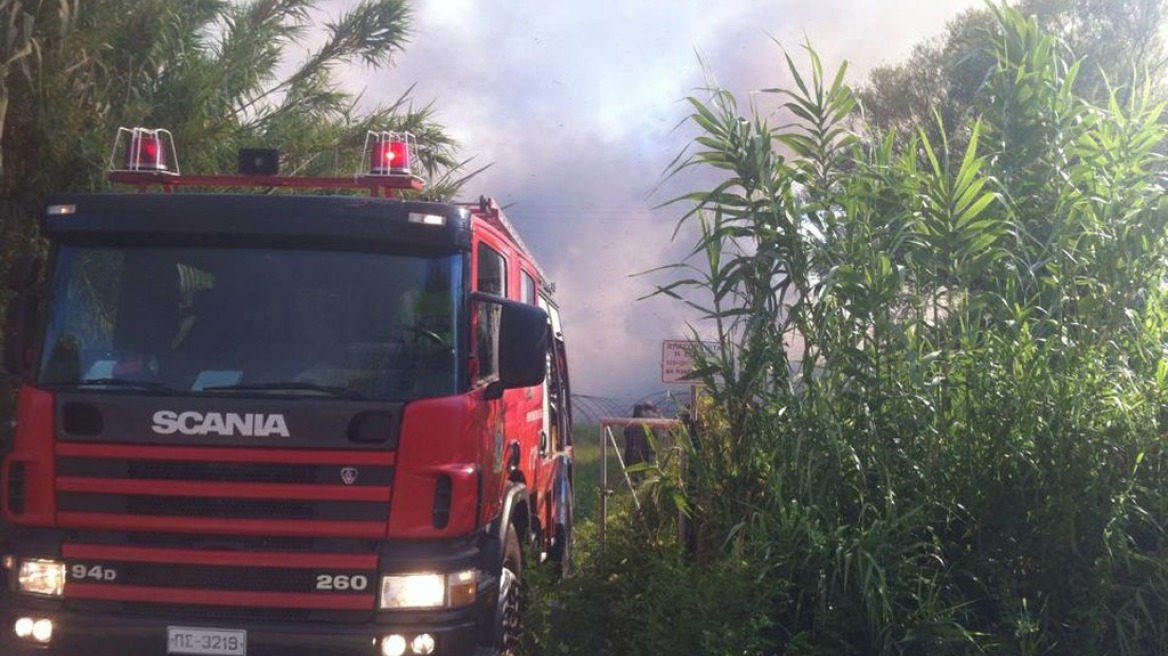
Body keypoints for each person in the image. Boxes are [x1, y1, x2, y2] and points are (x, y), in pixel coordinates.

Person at [623, 402, 660, 469]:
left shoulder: (629, 425)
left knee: (634, 474)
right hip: (643, 456)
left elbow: (626, 434)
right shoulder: (649, 424)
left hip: (632, 456)